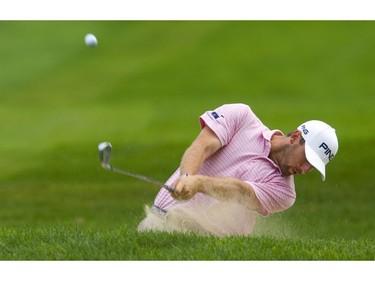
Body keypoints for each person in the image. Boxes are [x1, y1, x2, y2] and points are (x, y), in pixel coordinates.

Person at [137, 103, 339, 236]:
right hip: (162, 220)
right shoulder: (242, 117)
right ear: (295, 137)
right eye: (307, 159)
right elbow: (203, 145)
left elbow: (241, 192)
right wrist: (187, 177)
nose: (304, 170)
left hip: (209, 247)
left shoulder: (286, 193)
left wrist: (198, 183)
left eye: (312, 167)